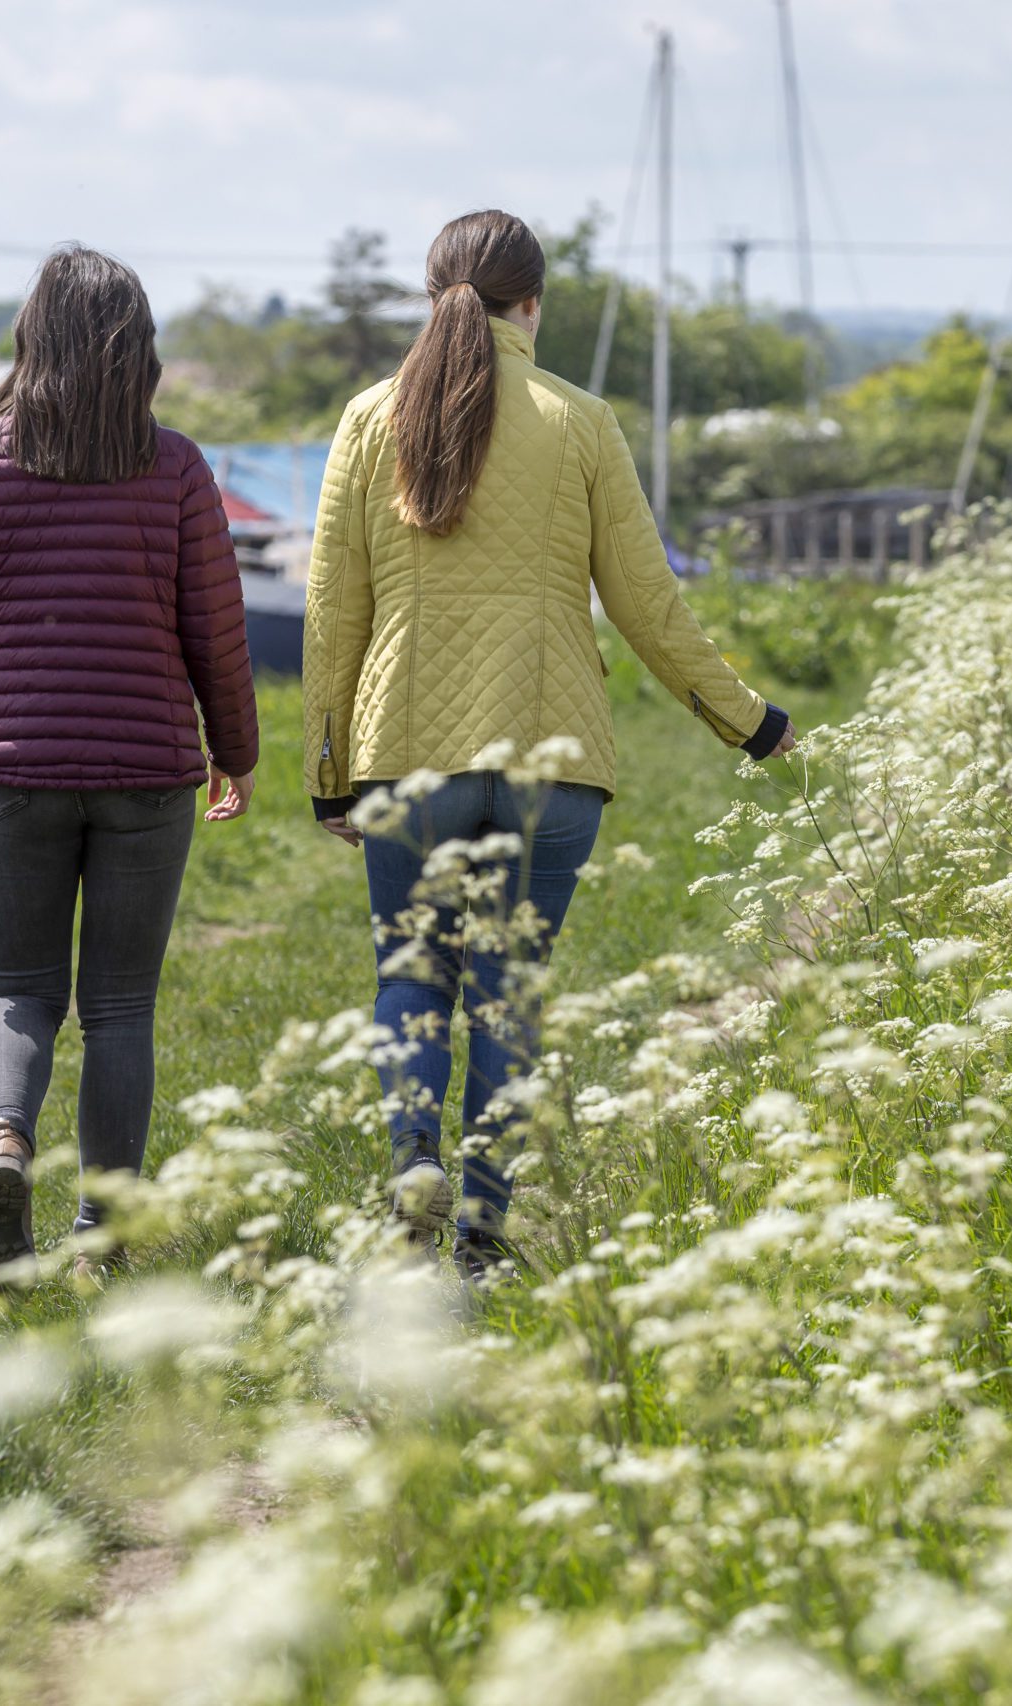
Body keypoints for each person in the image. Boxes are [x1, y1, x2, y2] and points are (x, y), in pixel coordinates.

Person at [302, 209, 793, 1284]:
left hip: (403, 753)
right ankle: (484, 1228)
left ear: (431, 296)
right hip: (549, 754)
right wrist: (750, 722)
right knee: (507, 990)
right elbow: (648, 605)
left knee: (413, 975)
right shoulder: (580, 420)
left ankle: (409, 1174)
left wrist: (328, 771)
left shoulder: (367, 418)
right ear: (534, 304)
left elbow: (333, 612)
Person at [0, 245, 260, 1291]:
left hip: (12, 772)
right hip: (148, 769)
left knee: (17, 992)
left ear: (32, 339)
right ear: (138, 353)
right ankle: (99, 1234)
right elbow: (217, 629)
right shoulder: (178, 467)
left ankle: (5, 1144)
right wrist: (234, 752)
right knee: (119, 1007)